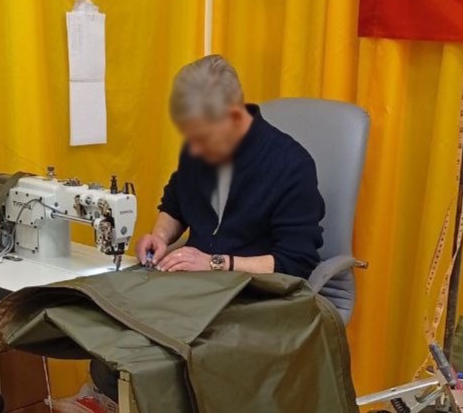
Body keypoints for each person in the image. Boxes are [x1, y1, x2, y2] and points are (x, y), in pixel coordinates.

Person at [91, 54, 325, 400]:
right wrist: (160, 236)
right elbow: (174, 205)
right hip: (195, 287)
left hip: (254, 294)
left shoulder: (291, 165)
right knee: (109, 333)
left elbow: (295, 262)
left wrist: (214, 262)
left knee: (156, 363)